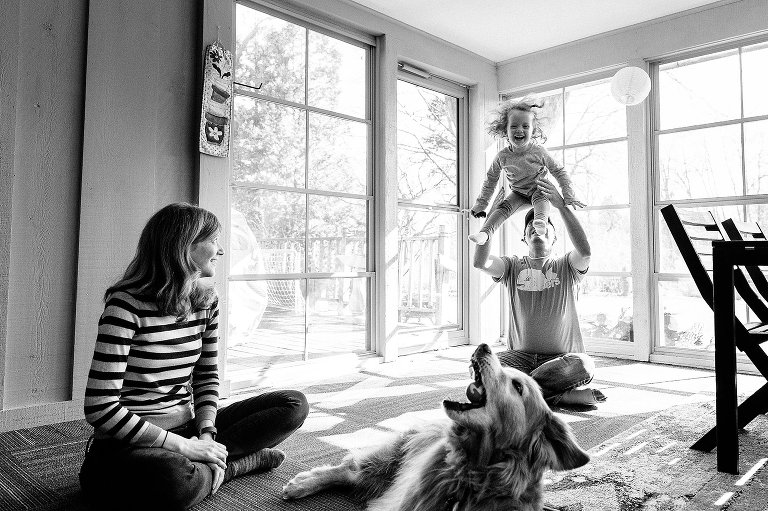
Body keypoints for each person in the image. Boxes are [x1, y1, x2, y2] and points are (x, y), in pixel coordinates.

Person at [79, 203, 309, 510]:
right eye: (213, 240)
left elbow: (206, 377)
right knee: (173, 479)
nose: (221, 250)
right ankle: (235, 466)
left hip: (189, 429)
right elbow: (100, 407)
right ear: (185, 245)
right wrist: (184, 447)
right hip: (129, 443)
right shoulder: (126, 307)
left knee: (293, 405)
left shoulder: (207, 303)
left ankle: (207, 463)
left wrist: (205, 434)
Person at [472, 179, 605, 407]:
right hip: (519, 358)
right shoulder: (512, 266)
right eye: (529, 225)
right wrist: (493, 218)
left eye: (543, 223)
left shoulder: (566, 265)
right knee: (483, 365)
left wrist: (561, 206)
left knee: (584, 365)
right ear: (524, 238)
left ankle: (518, 392)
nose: (535, 225)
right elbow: (480, 262)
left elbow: (585, 252)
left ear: (555, 237)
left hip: (561, 362)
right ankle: (556, 396)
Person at [468, 98, 585, 245]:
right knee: (502, 209)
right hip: (518, 193)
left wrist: (568, 195)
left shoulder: (539, 152)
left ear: (533, 130)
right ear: (505, 130)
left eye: (525, 126)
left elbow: (559, 171)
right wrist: (481, 205)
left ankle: (541, 222)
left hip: (539, 189)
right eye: (514, 126)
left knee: (542, 201)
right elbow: (490, 181)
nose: (519, 130)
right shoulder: (502, 156)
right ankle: (484, 234)